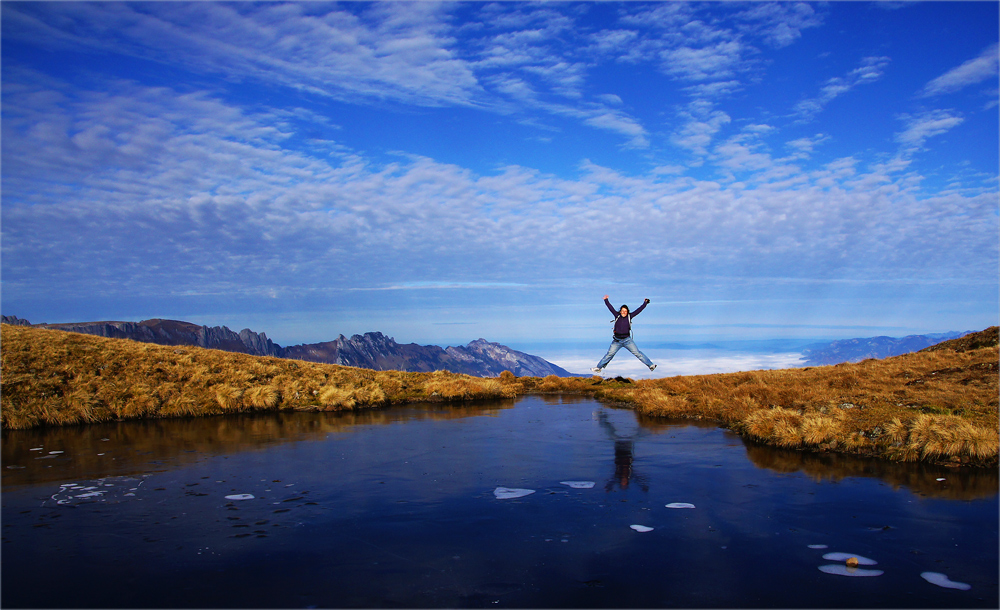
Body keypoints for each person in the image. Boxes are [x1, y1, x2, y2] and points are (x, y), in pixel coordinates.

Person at [592, 295, 656, 373]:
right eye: (622, 311)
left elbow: (639, 310)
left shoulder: (630, 316)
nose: (624, 312)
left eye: (625, 311)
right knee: (609, 355)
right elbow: (610, 308)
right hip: (617, 341)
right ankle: (598, 367)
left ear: (627, 312)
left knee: (638, 353)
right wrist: (606, 300)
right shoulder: (617, 315)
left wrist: (645, 303)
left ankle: (651, 365)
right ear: (620, 311)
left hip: (627, 340)